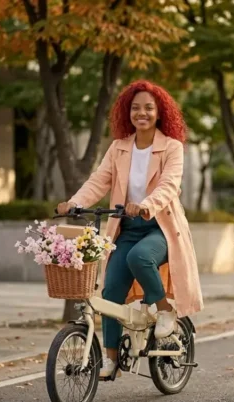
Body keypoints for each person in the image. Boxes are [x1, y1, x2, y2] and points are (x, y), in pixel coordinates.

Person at [56, 80, 203, 379]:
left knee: (140, 257)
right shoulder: (119, 147)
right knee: (110, 292)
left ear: (160, 112)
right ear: (128, 112)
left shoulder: (171, 147)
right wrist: (74, 202)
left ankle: (165, 309)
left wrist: (147, 204)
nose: (142, 113)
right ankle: (110, 361)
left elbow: (169, 185)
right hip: (127, 228)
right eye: (135, 108)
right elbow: (99, 180)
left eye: (148, 108)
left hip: (160, 227)